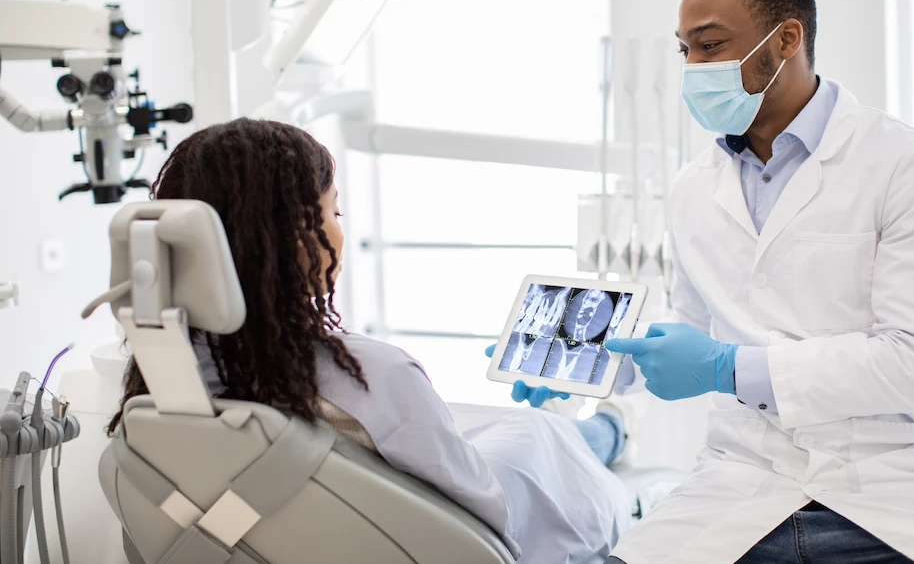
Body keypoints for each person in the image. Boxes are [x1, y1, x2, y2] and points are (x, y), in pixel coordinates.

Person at [513, 0, 914, 563]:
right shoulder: (694, 187)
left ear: (786, 38)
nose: (692, 66)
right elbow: (689, 329)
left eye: (711, 46)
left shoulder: (906, 163)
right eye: (684, 48)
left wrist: (728, 368)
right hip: (738, 489)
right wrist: (599, 365)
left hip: (884, 492)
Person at [106, 119, 632, 564]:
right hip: (452, 512)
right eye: (333, 212)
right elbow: (492, 523)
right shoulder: (374, 375)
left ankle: (606, 430)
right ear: (285, 236)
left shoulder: (163, 386)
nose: (339, 231)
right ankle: (612, 431)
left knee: (525, 430)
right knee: (537, 435)